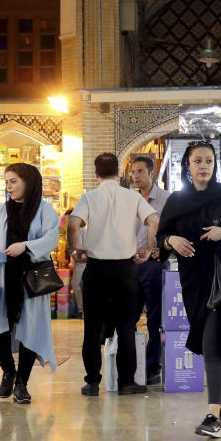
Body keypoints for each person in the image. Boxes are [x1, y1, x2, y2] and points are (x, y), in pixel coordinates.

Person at [156, 141, 221, 439]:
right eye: (197, 161)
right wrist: (171, 241)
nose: (203, 166)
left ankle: (212, 415)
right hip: (193, 281)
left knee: (212, 341)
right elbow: (160, 236)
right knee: (210, 342)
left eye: (208, 161)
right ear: (188, 165)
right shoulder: (177, 201)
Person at [68, 153, 158, 397]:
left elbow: (73, 224)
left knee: (92, 328)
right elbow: (153, 219)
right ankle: (126, 382)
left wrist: (74, 251)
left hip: (96, 269)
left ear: (96, 174)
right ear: (119, 173)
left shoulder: (89, 197)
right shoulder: (132, 197)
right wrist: (148, 248)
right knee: (126, 326)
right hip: (126, 271)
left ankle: (92, 383)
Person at [0, 163, 60, 404]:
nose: (9, 186)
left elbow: (51, 238)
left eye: (14, 181)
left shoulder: (44, 210)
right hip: (3, 275)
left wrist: (25, 246)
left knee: (31, 329)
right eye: (7, 182)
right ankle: (7, 369)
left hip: (32, 278)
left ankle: (22, 382)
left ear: (29, 181)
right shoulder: (2, 211)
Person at [130, 154, 171, 385]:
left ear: (151, 173)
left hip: (155, 265)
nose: (136, 176)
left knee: (155, 319)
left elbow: (175, 230)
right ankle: (131, 366)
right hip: (132, 265)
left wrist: (164, 251)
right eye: (133, 172)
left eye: (140, 171)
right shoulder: (130, 200)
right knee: (129, 317)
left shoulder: (167, 199)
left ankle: (153, 367)